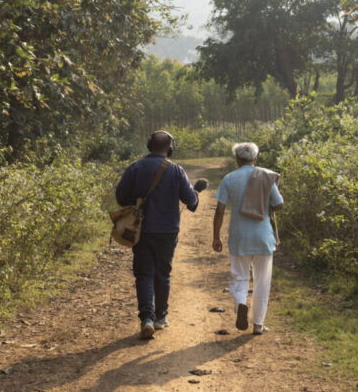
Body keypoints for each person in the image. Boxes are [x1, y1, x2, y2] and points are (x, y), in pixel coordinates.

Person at [115, 130, 205, 339]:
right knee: (162, 273)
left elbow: (121, 197)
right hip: (167, 230)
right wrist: (197, 193)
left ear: (149, 146)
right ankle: (160, 317)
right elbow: (191, 201)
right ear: (170, 149)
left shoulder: (135, 167)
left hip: (140, 230)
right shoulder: (176, 170)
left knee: (144, 273)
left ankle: (146, 318)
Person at [212, 141, 283, 335]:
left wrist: (216, 237)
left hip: (239, 236)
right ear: (255, 159)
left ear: (237, 159)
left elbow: (219, 210)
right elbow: (278, 204)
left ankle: (241, 303)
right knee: (262, 281)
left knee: (240, 276)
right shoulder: (265, 177)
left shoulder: (229, 178)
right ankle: (258, 324)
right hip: (263, 237)